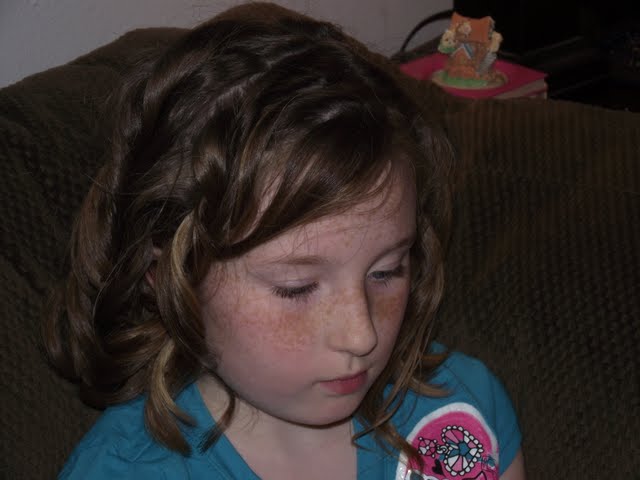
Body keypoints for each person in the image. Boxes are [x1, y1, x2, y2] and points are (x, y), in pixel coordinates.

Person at [44, 3, 525, 479]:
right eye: (296, 288)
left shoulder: (462, 413)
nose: (362, 335)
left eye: (386, 271)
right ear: (166, 275)